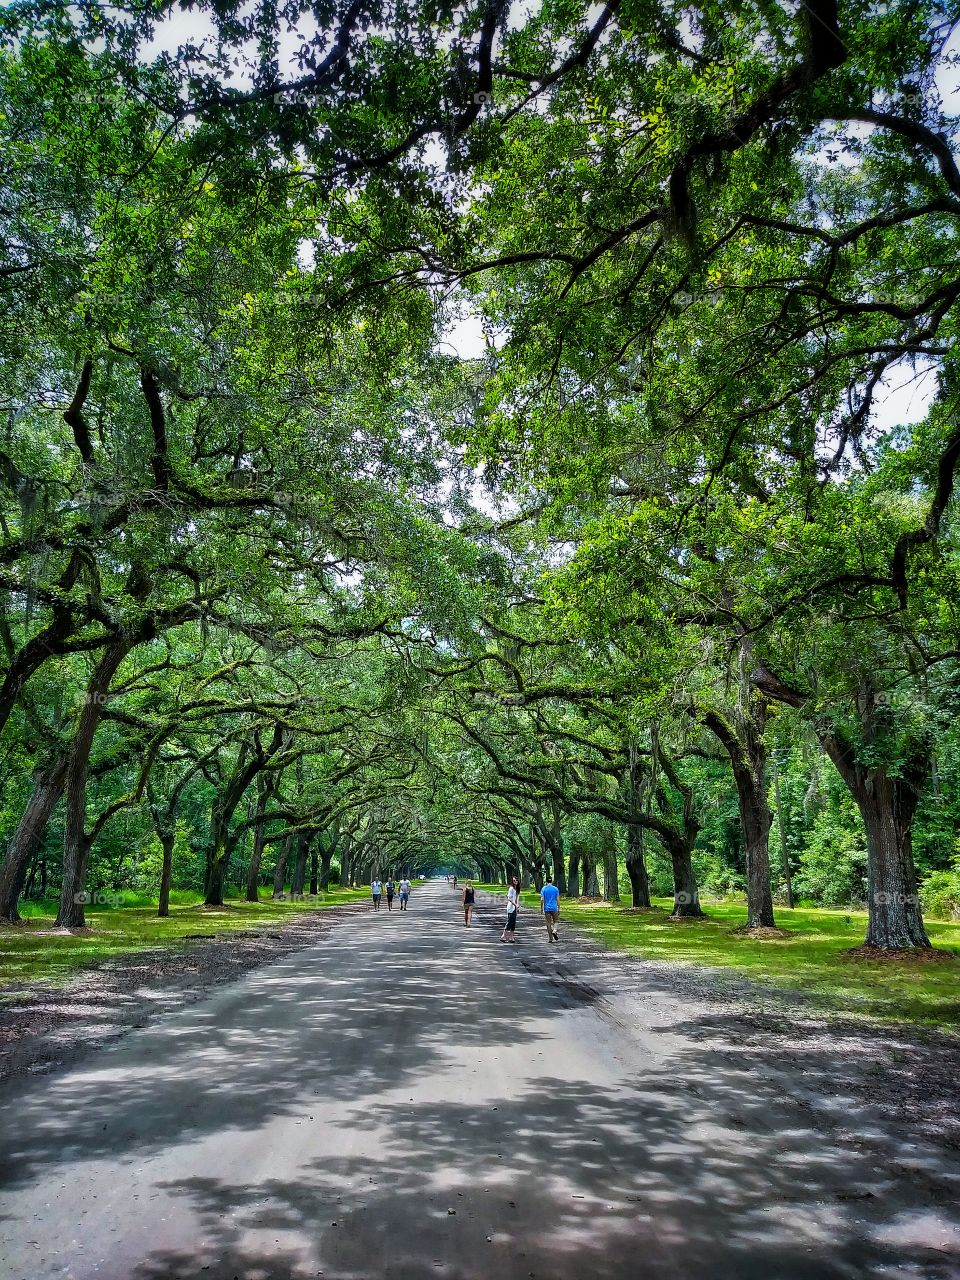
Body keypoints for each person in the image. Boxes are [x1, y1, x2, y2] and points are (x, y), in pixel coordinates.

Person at [540, 876, 560, 943]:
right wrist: (559, 907)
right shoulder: (555, 889)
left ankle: (550, 938)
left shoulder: (544, 889)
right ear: (551, 881)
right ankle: (554, 931)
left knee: (548, 923)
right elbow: (557, 899)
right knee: (556, 920)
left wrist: (541, 908)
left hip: (547, 908)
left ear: (546, 881)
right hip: (554, 908)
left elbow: (542, 899)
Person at [501, 876, 520, 943]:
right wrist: (515, 905)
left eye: (516, 880)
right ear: (512, 881)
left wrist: (517, 906)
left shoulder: (517, 889)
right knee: (510, 921)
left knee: (513, 923)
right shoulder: (511, 888)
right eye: (514, 881)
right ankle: (503, 935)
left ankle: (511, 937)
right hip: (511, 907)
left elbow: (517, 898)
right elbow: (509, 898)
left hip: (515, 908)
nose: (515, 882)